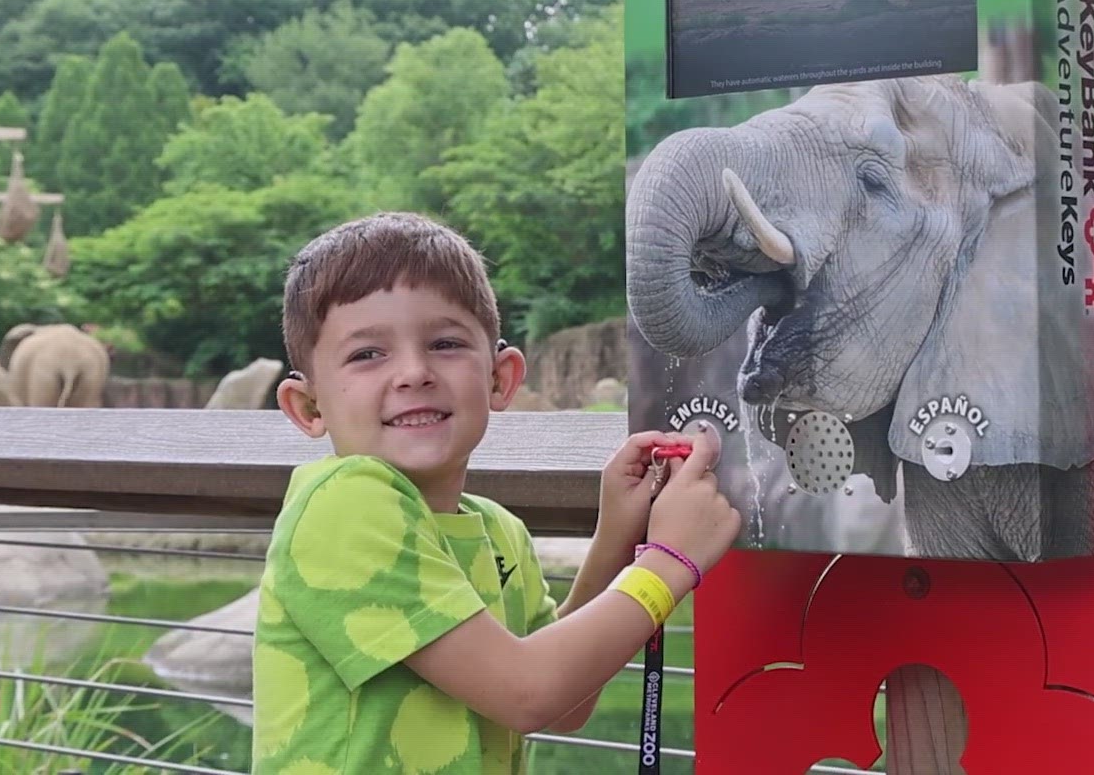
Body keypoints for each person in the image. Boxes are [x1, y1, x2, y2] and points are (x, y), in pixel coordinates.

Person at [251, 211, 742, 773]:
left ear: (500, 378)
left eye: (444, 343)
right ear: (308, 407)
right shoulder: (343, 504)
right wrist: (671, 561)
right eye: (367, 354)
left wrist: (618, 536)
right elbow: (528, 693)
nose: (413, 372)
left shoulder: (498, 529)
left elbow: (564, 705)